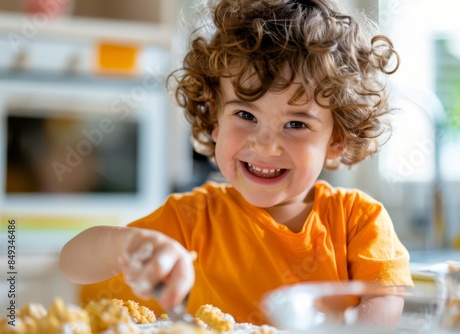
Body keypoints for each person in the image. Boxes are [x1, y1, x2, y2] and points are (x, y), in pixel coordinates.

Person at [59, 0, 413, 328]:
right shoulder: (193, 220)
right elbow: (72, 262)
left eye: (296, 124)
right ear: (215, 119)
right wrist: (126, 248)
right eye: (246, 115)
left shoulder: (359, 220)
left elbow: (384, 298)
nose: (265, 143)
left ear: (336, 140)